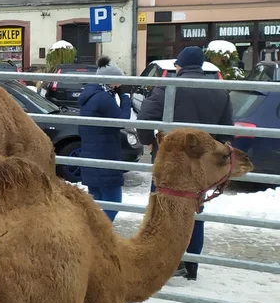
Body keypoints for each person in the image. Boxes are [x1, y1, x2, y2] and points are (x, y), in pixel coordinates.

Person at [138, 46, 234, 280]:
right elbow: (226, 131)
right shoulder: (219, 91)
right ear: (201, 67)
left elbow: (144, 119)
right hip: (200, 167)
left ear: (179, 66)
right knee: (194, 210)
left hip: (169, 164)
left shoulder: (167, 88)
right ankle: (192, 264)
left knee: (163, 211)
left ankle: (167, 264)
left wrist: (149, 142)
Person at [77, 57, 133, 223]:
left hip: (91, 156)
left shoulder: (91, 95)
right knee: (114, 203)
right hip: (105, 157)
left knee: (96, 202)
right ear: (109, 81)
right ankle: (100, 235)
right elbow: (122, 121)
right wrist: (125, 97)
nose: (119, 85)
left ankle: (92, 235)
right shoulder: (103, 98)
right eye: (118, 81)